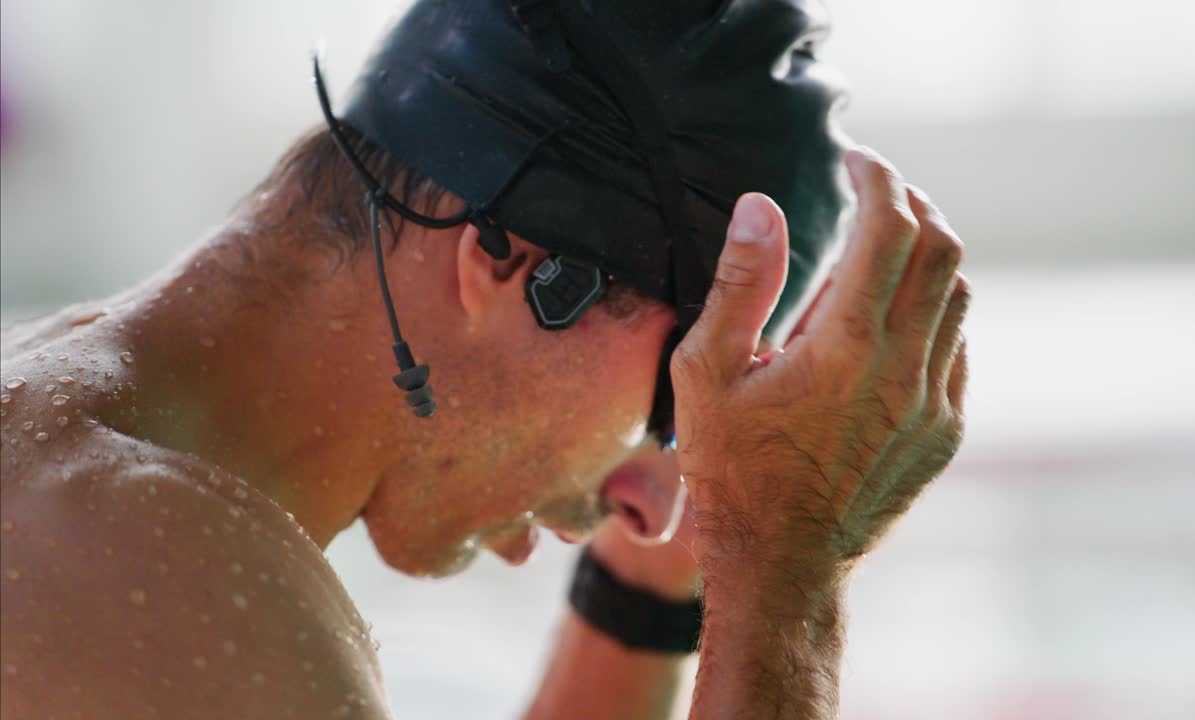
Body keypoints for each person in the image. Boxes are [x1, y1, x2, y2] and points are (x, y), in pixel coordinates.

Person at [0, 0, 969, 717]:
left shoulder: (89, 479)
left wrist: (651, 586)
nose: (658, 503)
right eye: (669, 410)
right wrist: (785, 569)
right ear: (515, 263)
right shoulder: (168, 575)